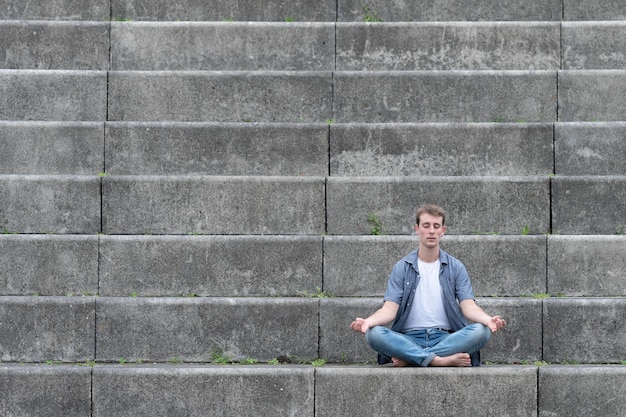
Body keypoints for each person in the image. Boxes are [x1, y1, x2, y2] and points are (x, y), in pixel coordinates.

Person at [350, 204, 506, 367]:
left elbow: (469, 307)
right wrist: (368, 322)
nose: (431, 231)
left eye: (436, 226)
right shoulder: (402, 267)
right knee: (373, 334)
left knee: (481, 332)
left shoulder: (456, 267)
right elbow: (389, 310)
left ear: (443, 230)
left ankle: (412, 358)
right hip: (409, 338)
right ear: (417, 229)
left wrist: (488, 320)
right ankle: (438, 360)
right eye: (426, 226)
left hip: (445, 338)